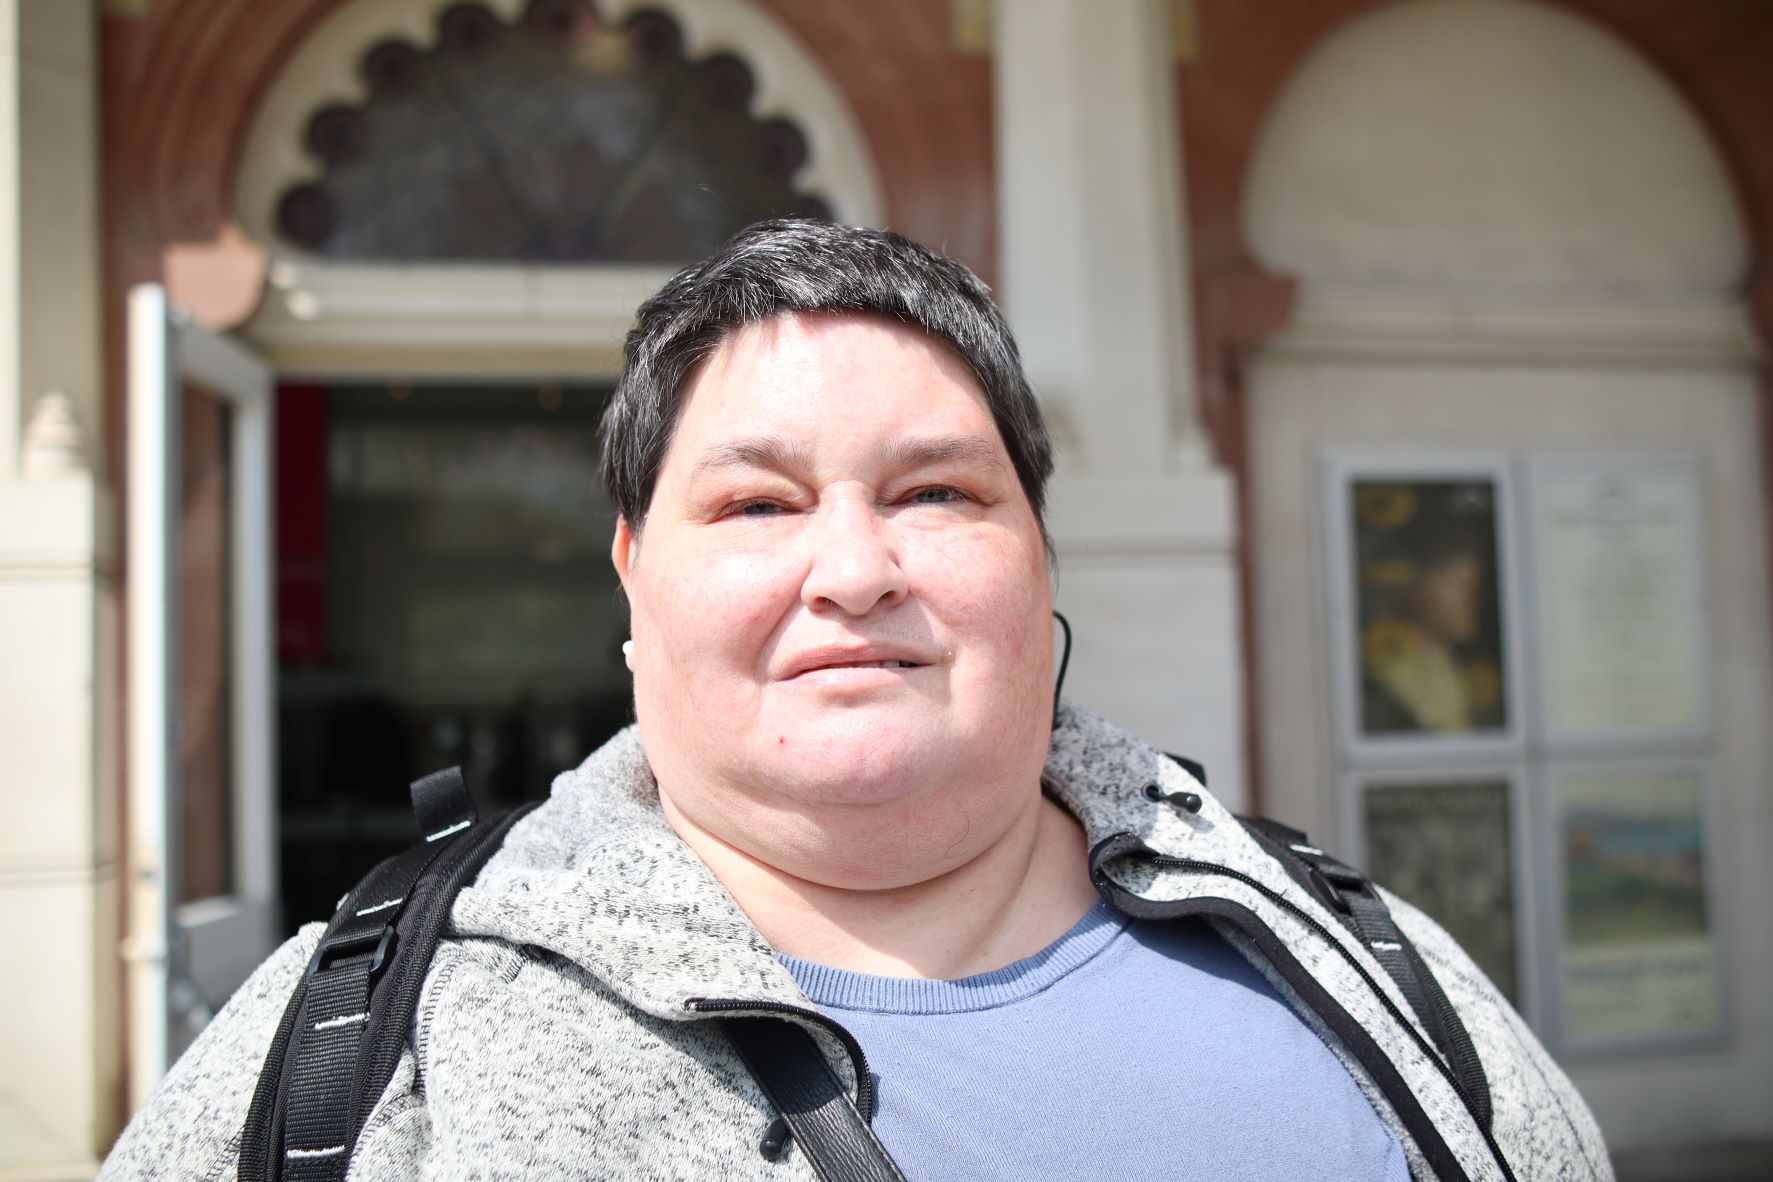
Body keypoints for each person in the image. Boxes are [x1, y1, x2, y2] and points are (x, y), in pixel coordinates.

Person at [99, 219, 1610, 1180]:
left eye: (936, 490)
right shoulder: (359, 1037)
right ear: (633, 575)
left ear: (1036, 554)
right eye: (756, 504)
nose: (852, 567)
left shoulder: (1358, 958)